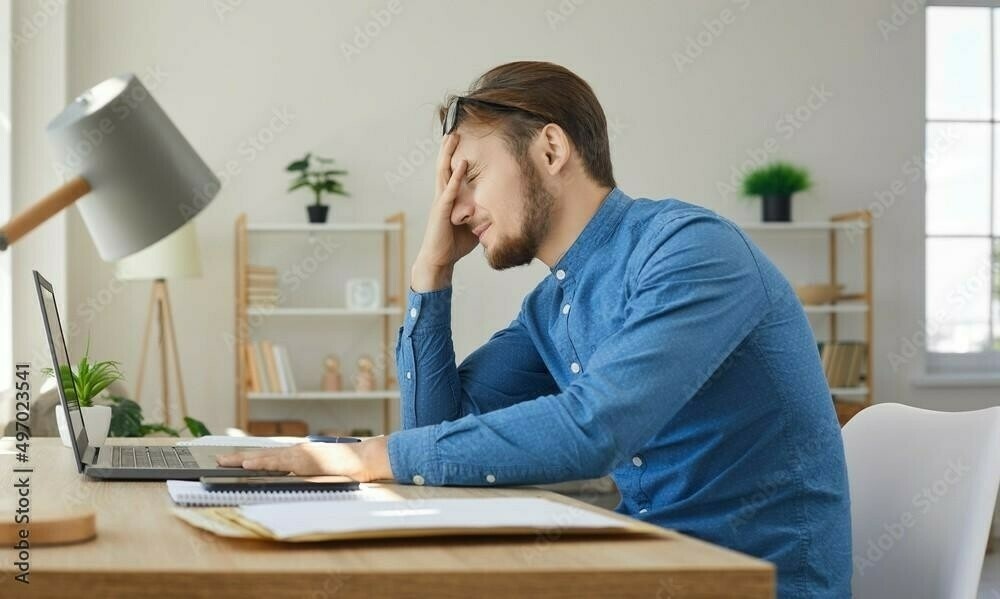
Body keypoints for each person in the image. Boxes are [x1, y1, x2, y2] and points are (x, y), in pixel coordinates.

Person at [219, 61, 851, 597]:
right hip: (648, 572)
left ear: (551, 149)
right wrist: (431, 270)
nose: (457, 207)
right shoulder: (552, 307)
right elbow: (433, 435)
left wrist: (365, 457)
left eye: (469, 176)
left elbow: (595, 426)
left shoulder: (690, 250)